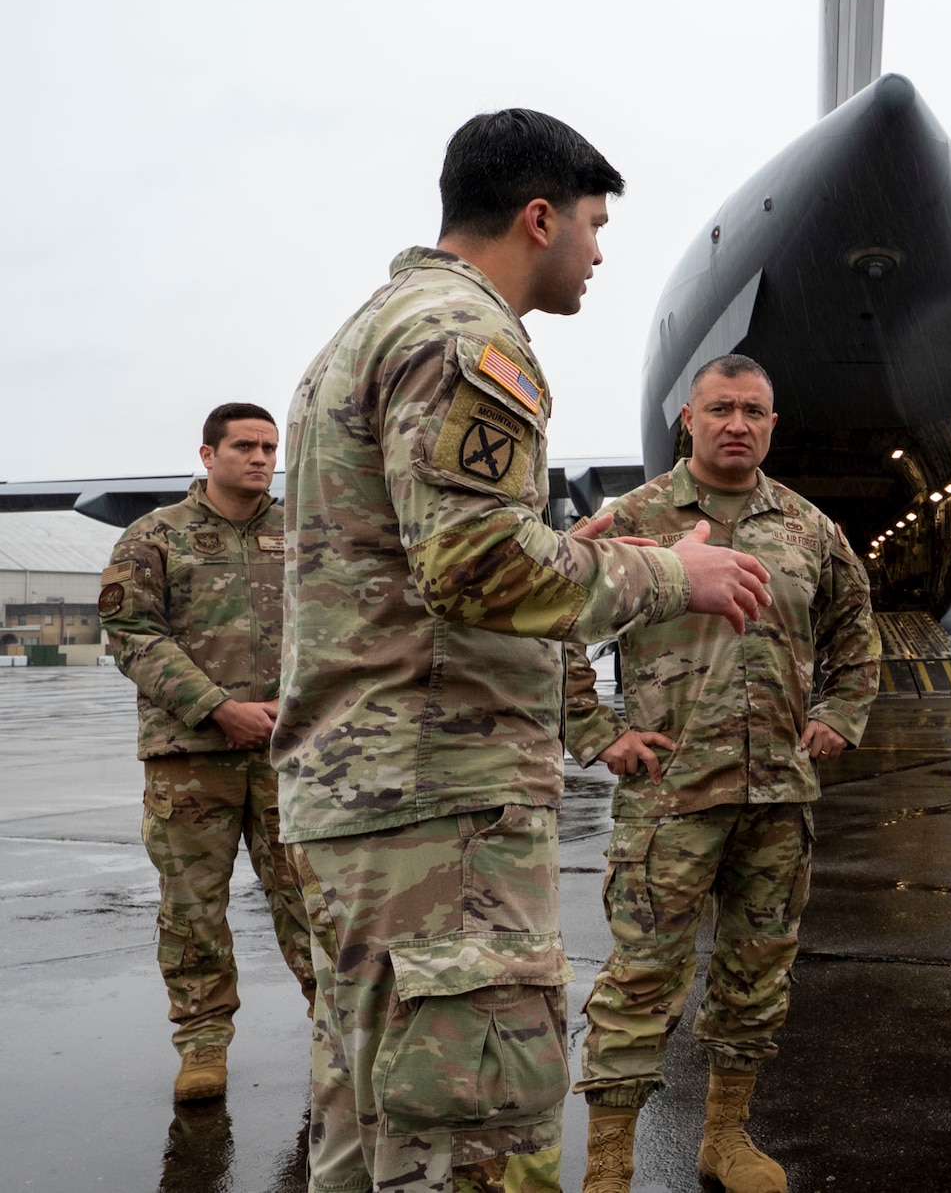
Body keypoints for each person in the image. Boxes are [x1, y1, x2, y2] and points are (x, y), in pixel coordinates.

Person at [273, 109, 772, 1193]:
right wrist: (667, 576)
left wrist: (575, 549)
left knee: (374, 1134)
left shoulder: (367, 332)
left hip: (369, 801)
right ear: (539, 217)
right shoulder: (468, 338)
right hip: (442, 809)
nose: (598, 252)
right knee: (474, 1144)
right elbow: (475, 566)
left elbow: (423, 559)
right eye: (594, 225)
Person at [566, 354, 879, 1193]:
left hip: (778, 793)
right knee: (642, 978)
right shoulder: (635, 517)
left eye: (753, 410)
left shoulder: (809, 528)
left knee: (756, 973)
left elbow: (857, 628)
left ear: (773, 424)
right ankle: (609, 1165)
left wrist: (838, 715)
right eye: (720, 409)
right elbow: (556, 622)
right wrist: (598, 733)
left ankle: (726, 1137)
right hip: (670, 796)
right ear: (689, 419)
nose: (737, 423)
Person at [101, 402, 316, 1102]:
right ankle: (202, 1044)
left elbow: (342, 625)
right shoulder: (154, 537)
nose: (260, 459)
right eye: (244, 446)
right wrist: (219, 707)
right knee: (192, 909)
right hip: (190, 753)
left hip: (289, 752)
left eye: (269, 448)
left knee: (313, 900)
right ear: (207, 454)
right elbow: (134, 635)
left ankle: (337, 1032)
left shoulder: (302, 533)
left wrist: (301, 710)